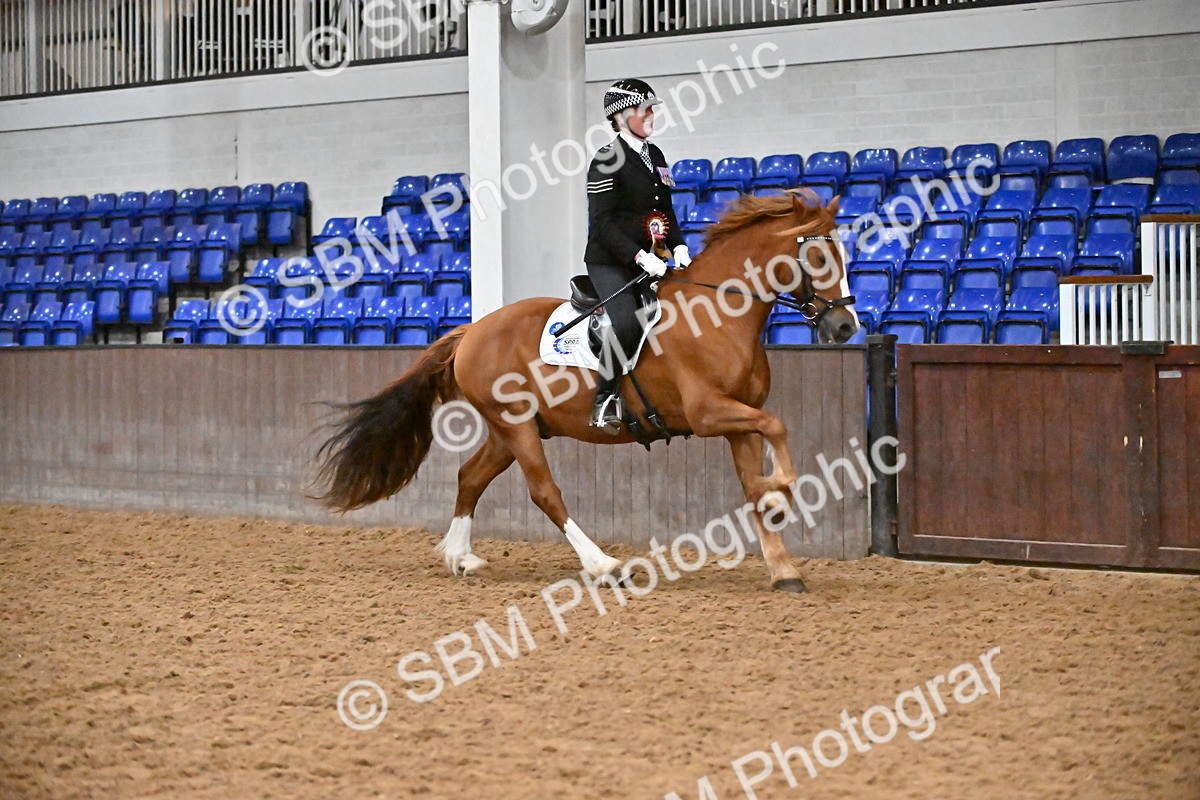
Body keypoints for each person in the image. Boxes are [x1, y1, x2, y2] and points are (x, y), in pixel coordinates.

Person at [584, 79, 692, 434]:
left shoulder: (656, 155)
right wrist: (638, 258)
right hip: (610, 260)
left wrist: (678, 245)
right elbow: (602, 224)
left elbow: (665, 209)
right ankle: (604, 400)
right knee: (629, 322)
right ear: (622, 116)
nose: (652, 115)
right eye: (646, 109)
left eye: (652, 109)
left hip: (655, 256)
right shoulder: (605, 159)